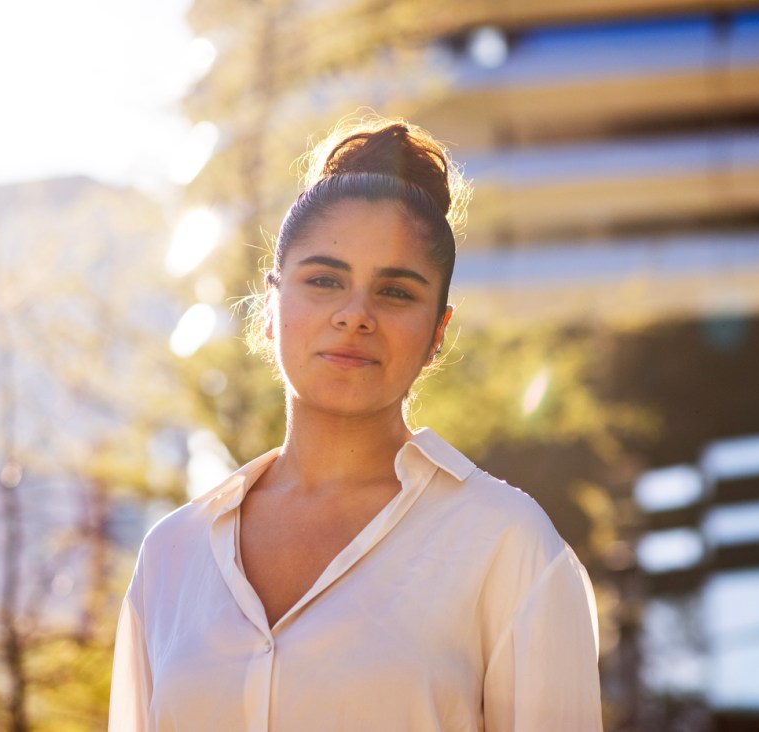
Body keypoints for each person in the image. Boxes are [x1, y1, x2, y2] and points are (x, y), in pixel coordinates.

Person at [108, 116, 603, 731]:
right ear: (271, 305)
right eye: (323, 280)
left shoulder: (507, 544)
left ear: (437, 335)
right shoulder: (171, 556)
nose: (355, 315)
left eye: (395, 292)